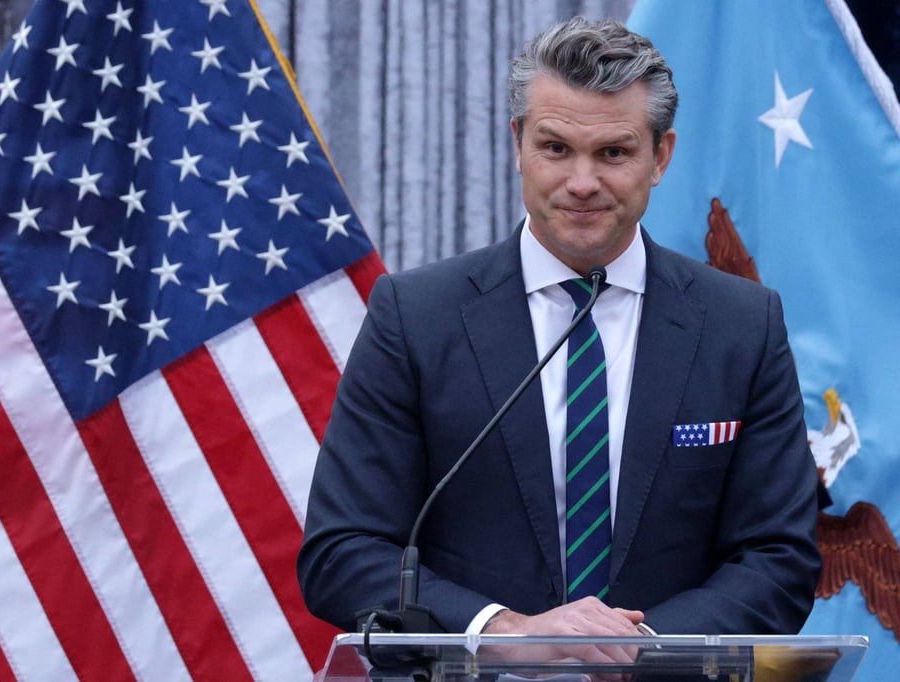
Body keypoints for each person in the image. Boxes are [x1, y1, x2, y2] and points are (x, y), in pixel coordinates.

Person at [297, 16, 821, 653]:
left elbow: (780, 557)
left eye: (614, 153)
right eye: (555, 148)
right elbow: (342, 550)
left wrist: (641, 649)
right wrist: (507, 631)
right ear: (518, 143)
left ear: (661, 156)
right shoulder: (415, 317)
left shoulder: (742, 325)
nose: (582, 183)